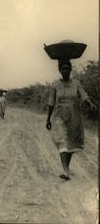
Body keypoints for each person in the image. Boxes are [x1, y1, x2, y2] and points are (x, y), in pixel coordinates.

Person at [44, 40, 96, 180]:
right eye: (63, 69)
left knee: (71, 144)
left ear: (70, 69)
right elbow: (51, 103)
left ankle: (66, 167)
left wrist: (89, 103)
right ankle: (66, 171)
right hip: (59, 117)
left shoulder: (76, 83)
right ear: (60, 70)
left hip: (74, 117)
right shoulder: (55, 85)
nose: (65, 71)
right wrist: (48, 119)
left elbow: (83, 94)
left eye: (67, 68)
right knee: (62, 142)